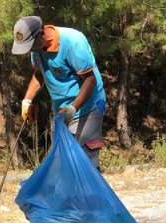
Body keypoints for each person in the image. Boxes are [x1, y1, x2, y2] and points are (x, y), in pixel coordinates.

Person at [12, 16, 106, 169]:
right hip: (62, 110)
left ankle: (89, 193)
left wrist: (74, 108)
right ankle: (70, 193)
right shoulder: (36, 47)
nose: (29, 50)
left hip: (88, 105)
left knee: (85, 161)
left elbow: (90, 80)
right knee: (64, 158)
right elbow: (39, 73)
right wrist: (27, 100)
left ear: (41, 33)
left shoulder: (73, 43)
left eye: (30, 45)